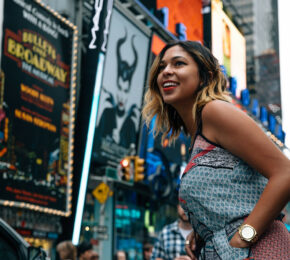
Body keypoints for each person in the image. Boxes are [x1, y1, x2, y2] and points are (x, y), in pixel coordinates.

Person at [142, 40, 290, 259]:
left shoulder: (215, 111)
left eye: (179, 63)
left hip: (260, 250)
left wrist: (245, 236)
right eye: (161, 67)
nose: (166, 72)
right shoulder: (197, 135)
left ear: (206, 76)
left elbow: (285, 172)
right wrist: (204, 231)